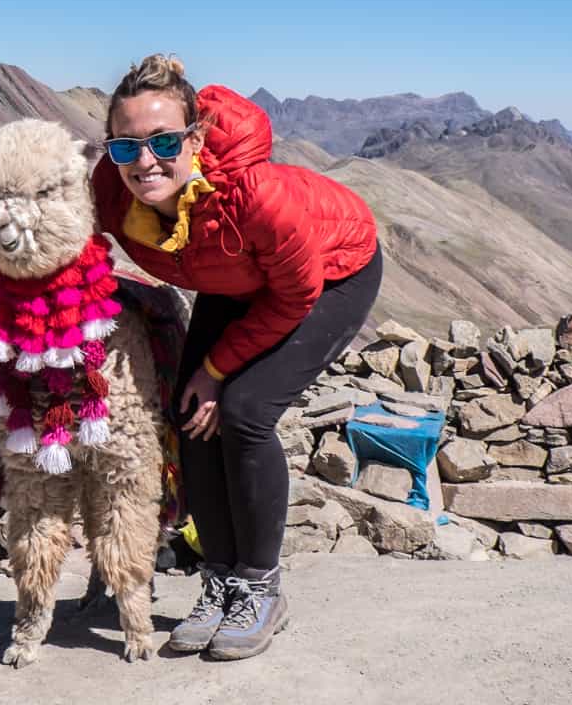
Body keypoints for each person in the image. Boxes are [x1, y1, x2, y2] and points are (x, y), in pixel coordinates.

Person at [92, 55, 381, 660]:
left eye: (164, 141)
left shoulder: (257, 199)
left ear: (194, 139)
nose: (145, 162)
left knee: (244, 410)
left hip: (328, 276)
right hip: (234, 279)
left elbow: (296, 294)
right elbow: (75, 244)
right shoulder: (112, 191)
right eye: (126, 147)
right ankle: (219, 581)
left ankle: (260, 586)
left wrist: (217, 369)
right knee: (190, 415)